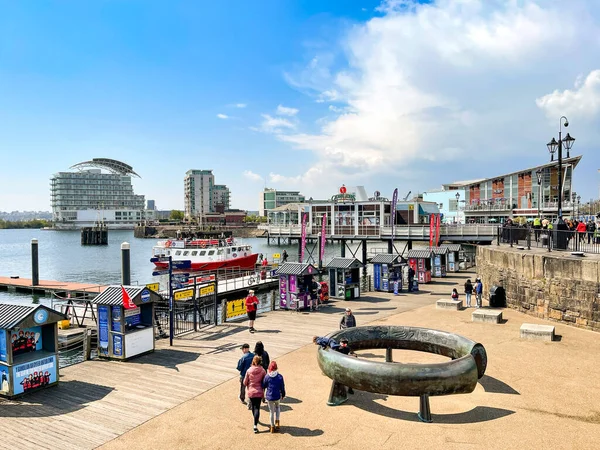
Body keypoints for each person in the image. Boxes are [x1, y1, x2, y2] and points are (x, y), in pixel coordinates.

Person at [243, 355, 267, 434]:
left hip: (251, 391)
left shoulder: (249, 370)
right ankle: (255, 424)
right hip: (259, 391)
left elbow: (245, 382)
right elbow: (265, 381)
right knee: (257, 408)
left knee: (253, 407)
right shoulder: (263, 370)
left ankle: (255, 420)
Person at [262, 361, 286, 433]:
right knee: (278, 407)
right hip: (277, 396)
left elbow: (263, 386)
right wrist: (283, 394)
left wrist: (263, 395)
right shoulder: (279, 377)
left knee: (271, 412)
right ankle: (277, 422)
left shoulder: (267, 376)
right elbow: (282, 387)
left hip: (269, 397)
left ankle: (272, 426)